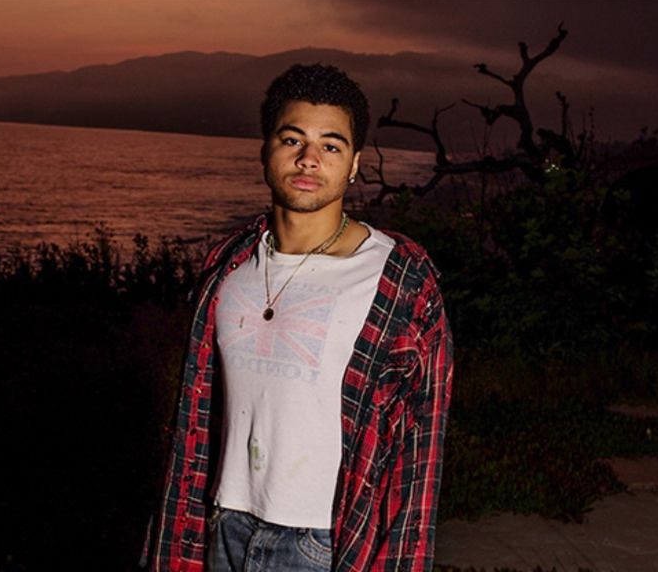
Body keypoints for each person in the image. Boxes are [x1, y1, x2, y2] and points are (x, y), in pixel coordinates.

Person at [143, 63, 452, 571]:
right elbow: (197, 418)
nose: (309, 159)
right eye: (292, 140)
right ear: (265, 150)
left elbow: (420, 448)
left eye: (331, 145)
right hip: (223, 524)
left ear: (353, 164)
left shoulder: (398, 279)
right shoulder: (228, 266)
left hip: (323, 543)